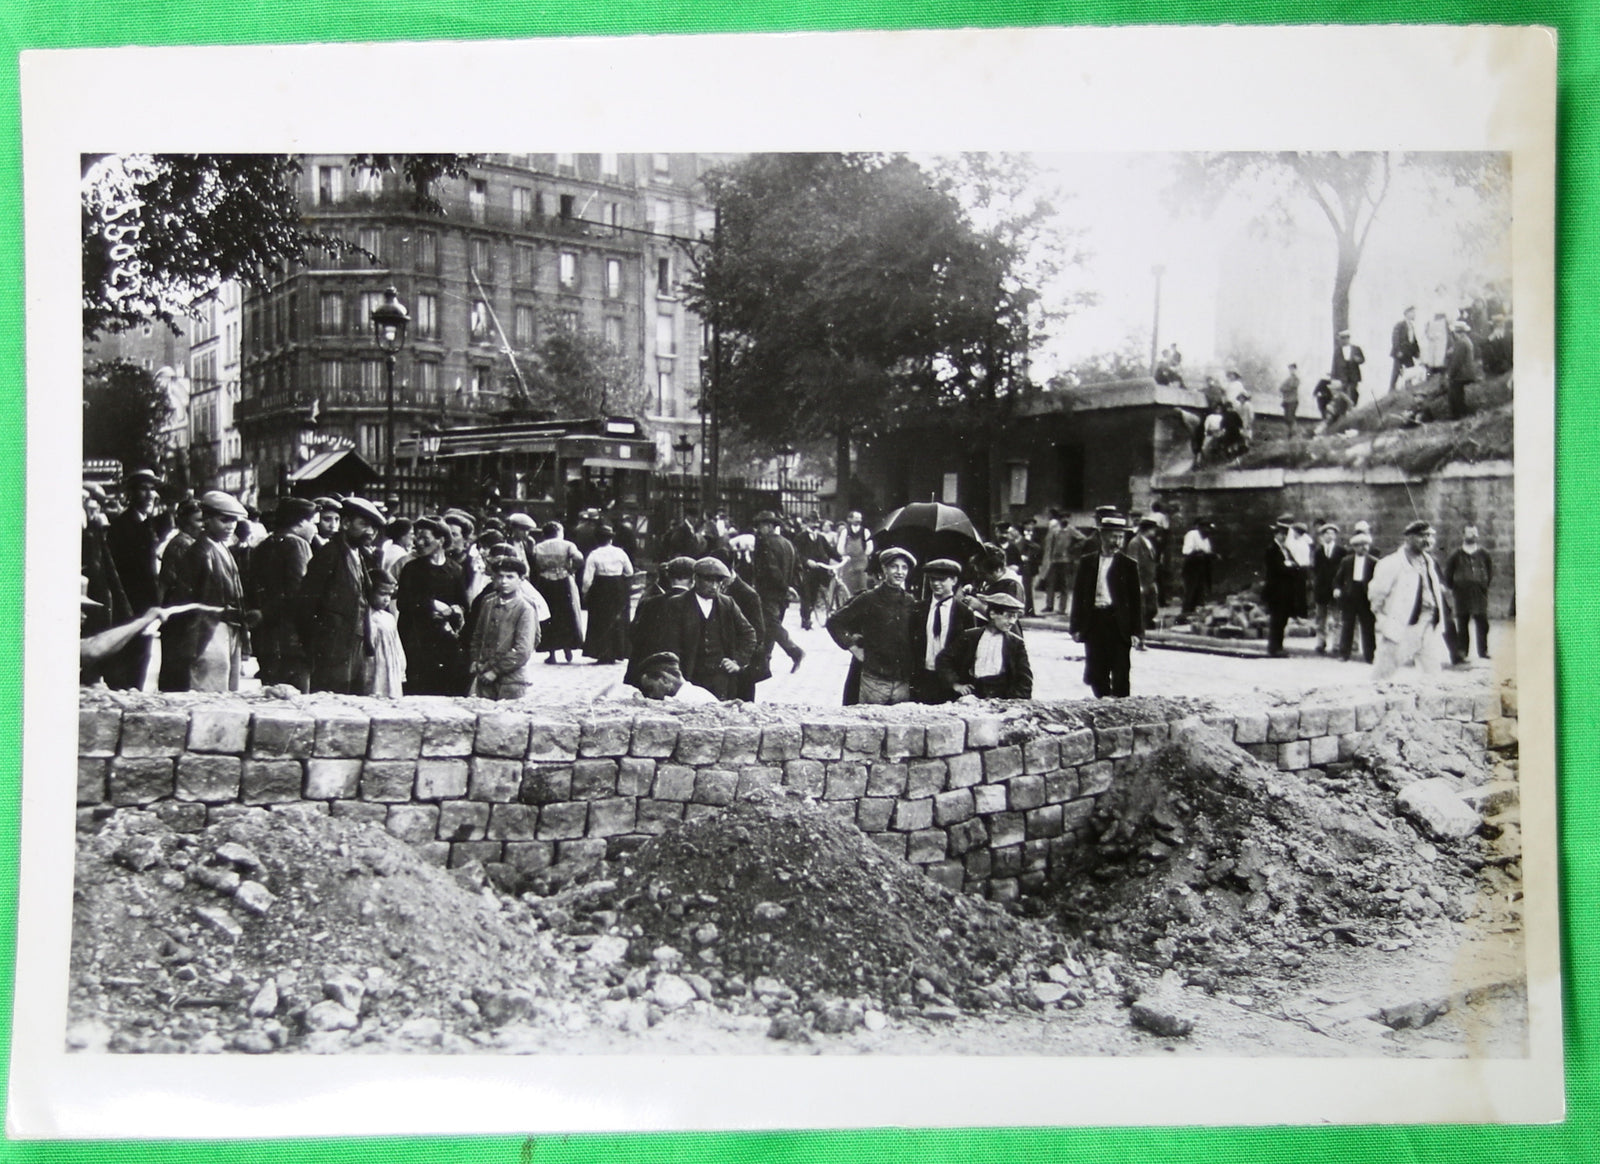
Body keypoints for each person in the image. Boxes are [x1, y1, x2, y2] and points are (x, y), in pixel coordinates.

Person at [168, 490, 252, 692]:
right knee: (210, 688)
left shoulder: (220, 547)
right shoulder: (200, 552)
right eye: (224, 520)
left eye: (234, 521)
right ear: (207, 519)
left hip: (226, 626)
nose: (231, 526)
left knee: (226, 689)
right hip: (209, 629)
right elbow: (185, 598)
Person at [300, 496, 384, 694]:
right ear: (345, 524)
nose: (370, 532)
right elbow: (307, 603)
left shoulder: (358, 555)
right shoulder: (329, 554)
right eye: (363, 524)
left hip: (355, 645)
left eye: (373, 527)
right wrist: (318, 643)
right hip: (332, 648)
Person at [827, 545, 920, 706]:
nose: (900, 572)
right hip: (874, 680)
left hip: (901, 681)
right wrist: (852, 647)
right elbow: (834, 622)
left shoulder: (910, 601)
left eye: (904, 568)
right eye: (894, 567)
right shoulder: (869, 598)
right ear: (884, 569)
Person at [655, 557, 758, 701]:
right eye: (709, 580)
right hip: (690, 675)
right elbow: (669, 643)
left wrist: (737, 661)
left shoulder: (727, 604)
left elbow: (749, 633)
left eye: (718, 581)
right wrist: (676, 675)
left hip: (720, 677)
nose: (714, 586)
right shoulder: (677, 604)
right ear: (695, 578)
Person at [103, 469, 167, 690]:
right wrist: (128, 608)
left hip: (145, 606)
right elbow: (117, 573)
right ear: (130, 493)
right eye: (143, 489)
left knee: (141, 658)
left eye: (152, 489)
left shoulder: (147, 524)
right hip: (128, 607)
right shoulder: (121, 526)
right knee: (126, 664)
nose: (149, 494)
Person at [1069, 512, 1143, 698]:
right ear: (1102, 536)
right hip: (1095, 622)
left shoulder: (1128, 565)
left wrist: (1136, 632)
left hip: (1119, 624)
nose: (1117, 541)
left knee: (1120, 671)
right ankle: (1103, 703)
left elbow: (1135, 601)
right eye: (1113, 536)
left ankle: (1120, 710)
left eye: (1120, 537)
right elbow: (1079, 596)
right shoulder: (1088, 562)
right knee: (1096, 671)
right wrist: (1075, 627)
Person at [247, 496, 317, 691]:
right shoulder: (298, 545)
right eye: (313, 522)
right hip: (291, 637)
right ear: (301, 522)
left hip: (266, 636)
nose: (315, 528)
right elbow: (299, 592)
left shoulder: (263, 545)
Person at [1369, 520, 1451, 680]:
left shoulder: (1429, 562)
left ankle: (1430, 702)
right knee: (1383, 673)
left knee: (1433, 672)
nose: (1428, 540)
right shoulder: (1391, 563)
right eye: (1422, 536)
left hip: (1428, 623)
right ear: (1408, 538)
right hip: (1403, 625)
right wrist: (1384, 620)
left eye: (1430, 536)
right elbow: (1376, 595)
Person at [936, 591, 1033, 700]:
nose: (1012, 622)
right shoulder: (970, 636)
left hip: (1001, 697)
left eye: (1015, 617)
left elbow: (1025, 680)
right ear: (992, 614)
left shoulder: (1016, 643)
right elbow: (943, 659)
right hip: (971, 696)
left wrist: (1011, 701)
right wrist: (955, 684)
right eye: (1009, 616)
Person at [469, 555, 541, 700]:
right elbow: (478, 635)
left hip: (511, 681)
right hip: (484, 676)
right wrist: (476, 660)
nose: (504, 581)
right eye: (500, 576)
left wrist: (496, 671)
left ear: (521, 580)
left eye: (510, 577)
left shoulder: (525, 608)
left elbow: (523, 649)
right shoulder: (488, 602)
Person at [155, 499, 205, 692]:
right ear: (184, 521)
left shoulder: (191, 543)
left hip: (183, 615)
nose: (203, 525)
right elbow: (169, 583)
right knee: (178, 671)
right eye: (198, 520)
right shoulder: (181, 545)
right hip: (180, 617)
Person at [911, 558, 976, 704]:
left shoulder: (964, 612)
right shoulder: (919, 609)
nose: (935, 584)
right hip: (923, 680)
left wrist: (957, 682)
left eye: (941, 580)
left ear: (953, 580)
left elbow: (969, 652)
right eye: (932, 579)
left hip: (951, 684)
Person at [626, 556, 697, 687]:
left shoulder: (650, 603)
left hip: (650, 672)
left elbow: (634, 634)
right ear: (693, 580)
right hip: (682, 674)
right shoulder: (695, 605)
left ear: (669, 577)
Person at [751, 511, 804, 672]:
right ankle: (765, 661)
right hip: (783, 596)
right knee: (770, 626)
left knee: (770, 624)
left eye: (761, 526)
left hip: (769, 593)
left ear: (769, 526)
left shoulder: (764, 544)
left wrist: (784, 586)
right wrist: (791, 586)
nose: (759, 530)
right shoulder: (788, 544)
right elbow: (798, 568)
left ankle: (795, 651)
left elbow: (771, 570)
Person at [581, 524, 633, 665]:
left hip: (600, 588)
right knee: (618, 619)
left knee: (600, 620)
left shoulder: (594, 555)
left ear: (597, 540)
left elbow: (587, 578)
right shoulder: (620, 553)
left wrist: (585, 592)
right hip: (618, 587)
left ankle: (603, 652)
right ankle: (618, 651)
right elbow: (629, 571)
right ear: (611, 539)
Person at [1444, 524, 1494, 662]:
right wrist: (1455, 586)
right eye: (1469, 533)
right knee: (1462, 622)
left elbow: (1490, 572)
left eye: (1475, 533)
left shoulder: (1484, 554)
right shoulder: (1456, 554)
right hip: (1461, 594)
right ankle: (1463, 652)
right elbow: (1448, 573)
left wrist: (1483, 585)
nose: (1473, 535)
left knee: (1482, 622)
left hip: (1479, 593)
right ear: (1463, 535)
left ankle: (1483, 651)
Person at [1262, 515, 1309, 658]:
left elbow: (1295, 565)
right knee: (1276, 620)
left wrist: (1291, 566)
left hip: (1286, 591)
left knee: (1282, 620)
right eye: (1279, 534)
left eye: (1284, 534)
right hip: (1276, 591)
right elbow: (1278, 569)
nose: (1282, 537)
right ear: (1275, 534)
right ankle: (1273, 647)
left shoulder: (1286, 550)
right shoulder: (1272, 550)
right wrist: (1290, 567)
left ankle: (1279, 646)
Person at [1334, 530, 1378, 663]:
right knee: (1347, 625)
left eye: (1366, 544)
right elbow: (1338, 579)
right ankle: (1344, 654)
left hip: (1366, 597)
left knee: (1368, 627)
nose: (1363, 547)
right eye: (1360, 545)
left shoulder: (1374, 562)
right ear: (1354, 547)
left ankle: (1370, 656)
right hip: (1350, 596)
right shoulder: (1346, 561)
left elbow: (1379, 580)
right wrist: (1337, 589)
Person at [795, 514, 841, 629]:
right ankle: (806, 619)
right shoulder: (801, 537)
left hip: (819, 571)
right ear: (807, 523)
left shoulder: (821, 538)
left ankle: (815, 612)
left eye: (816, 522)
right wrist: (806, 561)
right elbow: (796, 554)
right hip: (806, 571)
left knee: (814, 594)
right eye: (812, 522)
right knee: (806, 595)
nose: (815, 524)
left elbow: (830, 551)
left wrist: (841, 558)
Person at [366, 570, 406, 698]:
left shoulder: (389, 618)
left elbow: (397, 645)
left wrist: (401, 668)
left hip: (390, 667)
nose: (386, 599)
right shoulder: (367, 617)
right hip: (374, 668)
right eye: (382, 594)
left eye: (390, 595)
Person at [1311, 522, 1346, 654]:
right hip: (1321, 590)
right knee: (1320, 618)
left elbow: (1343, 571)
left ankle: (1337, 644)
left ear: (1335, 536)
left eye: (1332, 533)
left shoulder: (1341, 552)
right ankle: (1320, 642)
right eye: (1326, 533)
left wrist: (1340, 587)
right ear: (1322, 536)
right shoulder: (1318, 552)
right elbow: (1315, 570)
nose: (1329, 536)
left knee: (1337, 618)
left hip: (1336, 590)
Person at [1123, 516, 1161, 636]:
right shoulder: (1136, 543)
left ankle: (1139, 631)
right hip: (1141, 581)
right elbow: (1133, 563)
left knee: (1152, 608)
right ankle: (1137, 634)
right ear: (1147, 530)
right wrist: (1136, 583)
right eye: (1153, 529)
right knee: (1141, 609)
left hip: (1149, 581)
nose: (1154, 532)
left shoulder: (1148, 542)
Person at [1038, 510, 1075, 615]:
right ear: (1060, 519)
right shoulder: (1055, 530)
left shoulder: (1071, 530)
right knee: (1051, 584)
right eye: (1063, 518)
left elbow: (1082, 539)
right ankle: (1049, 606)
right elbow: (1049, 544)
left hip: (1066, 561)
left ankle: (1062, 609)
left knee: (1064, 585)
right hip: (1054, 561)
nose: (1065, 520)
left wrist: (1072, 549)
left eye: (1067, 517)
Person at [1444, 318, 1481, 420]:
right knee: (1458, 393)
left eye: (1455, 332)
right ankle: (1461, 413)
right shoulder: (1466, 340)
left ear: (1457, 332)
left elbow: (1457, 361)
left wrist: (1450, 374)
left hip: (1462, 374)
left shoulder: (1461, 343)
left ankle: (1456, 415)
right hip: (1467, 372)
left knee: (1454, 393)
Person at [1180, 519, 1215, 615]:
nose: (1208, 531)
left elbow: (1208, 551)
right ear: (1200, 528)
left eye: (1209, 529)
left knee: (1200, 590)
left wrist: (1211, 555)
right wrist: (1201, 553)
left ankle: (1196, 613)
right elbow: (1187, 551)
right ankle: (1186, 613)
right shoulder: (1192, 534)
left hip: (1202, 566)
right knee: (1190, 590)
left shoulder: (1206, 538)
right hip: (1192, 565)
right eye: (1206, 528)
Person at [835, 511, 872, 598]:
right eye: (856, 518)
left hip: (861, 561)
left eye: (860, 518)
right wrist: (844, 554)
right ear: (850, 519)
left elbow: (869, 546)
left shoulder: (865, 531)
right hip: (849, 561)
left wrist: (865, 554)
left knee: (862, 585)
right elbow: (840, 546)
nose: (858, 520)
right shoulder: (845, 532)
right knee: (849, 584)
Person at [1390, 306, 1422, 392]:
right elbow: (1395, 339)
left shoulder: (1411, 326)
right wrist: (1398, 351)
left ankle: (1408, 389)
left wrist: (1417, 352)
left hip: (1408, 354)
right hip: (1400, 354)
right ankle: (1391, 390)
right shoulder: (1400, 325)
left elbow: (1413, 341)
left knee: (1410, 371)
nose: (1414, 314)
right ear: (1407, 313)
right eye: (1412, 312)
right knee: (1396, 372)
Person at [1332, 329, 1365, 406]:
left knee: (1353, 391)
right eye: (1342, 338)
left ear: (1348, 338)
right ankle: (1345, 410)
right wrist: (1334, 377)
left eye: (1345, 338)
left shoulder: (1356, 349)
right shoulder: (1338, 351)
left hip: (1353, 375)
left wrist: (1358, 359)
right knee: (1344, 394)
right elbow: (1335, 364)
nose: (1343, 340)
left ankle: (1353, 406)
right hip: (1342, 376)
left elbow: (1362, 360)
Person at [1423, 310, 1451, 375]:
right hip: (1435, 349)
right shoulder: (1431, 323)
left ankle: (1436, 373)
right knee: (1435, 360)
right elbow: (1427, 334)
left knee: (1437, 361)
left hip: (1439, 348)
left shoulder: (1442, 324)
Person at [1279, 364, 1302, 438]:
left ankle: (1294, 434)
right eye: (1290, 369)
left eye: (1293, 369)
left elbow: (1291, 387)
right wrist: (1285, 388)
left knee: (1290, 417)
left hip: (1293, 400)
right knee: (1286, 418)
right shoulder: (1288, 379)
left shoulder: (1296, 379)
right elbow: (1281, 388)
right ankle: (1289, 434)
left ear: (1295, 370)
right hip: (1286, 400)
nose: (1291, 371)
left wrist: (1286, 388)